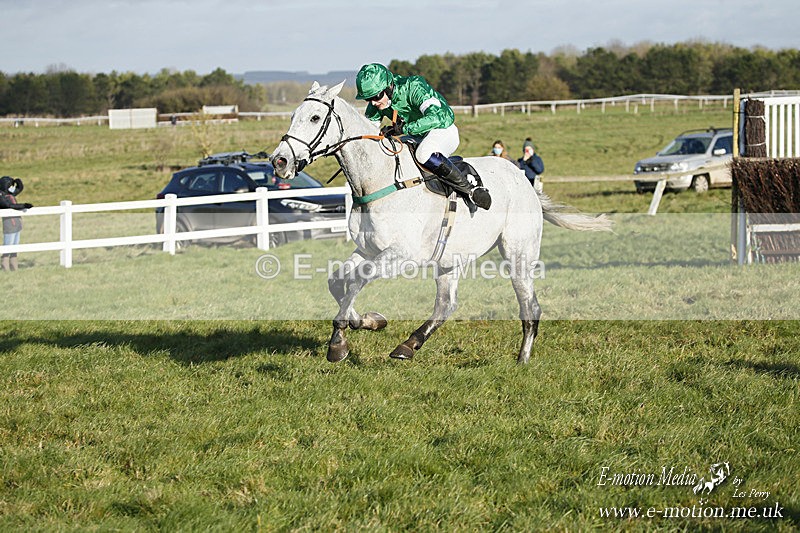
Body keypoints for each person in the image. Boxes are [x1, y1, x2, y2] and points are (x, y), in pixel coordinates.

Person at [355, 63, 491, 210]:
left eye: (376, 96)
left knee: (423, 153)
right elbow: (368, 133)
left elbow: (438, 116)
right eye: (368, 99)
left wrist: (404, 128)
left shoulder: (414, 86)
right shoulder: (377, 102)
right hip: (418, 136)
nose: (374, 103)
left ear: (388, 86)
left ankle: (470, 190)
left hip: (443, 129)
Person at [0, 176, 32, 272]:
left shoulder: (9, 194)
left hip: (17, 225)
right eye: (10, 185)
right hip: (9, 225)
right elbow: (8, 205)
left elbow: (19, 189)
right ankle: (5, 267)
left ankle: (14, 268)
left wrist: (19, 182)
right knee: (8, 246)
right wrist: (23, 206)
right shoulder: (1, 196)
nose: (12, 188)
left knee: (15, 247)